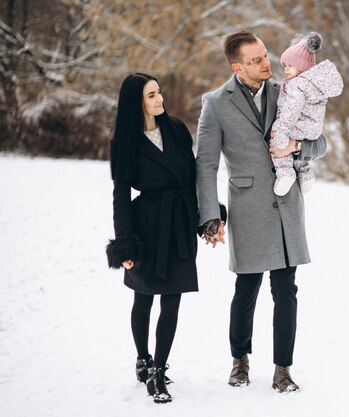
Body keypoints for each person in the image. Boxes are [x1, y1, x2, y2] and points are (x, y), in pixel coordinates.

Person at [196, 30, 327, 393]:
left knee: (286, 289)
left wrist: (296, 146)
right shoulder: (216, 103)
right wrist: (209, 216)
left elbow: (322, 141)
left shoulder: (289, 89)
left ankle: (283, 370)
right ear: (237, 66)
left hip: (287, 205)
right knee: (246, 287)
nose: (266, 63)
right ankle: (240, 360)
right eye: (256, 60)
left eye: (266, 55)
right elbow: (205, 164)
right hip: (248, 207)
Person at [105, 73, 225, 404]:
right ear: (137, 102)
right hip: (145, 226)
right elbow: (120, 194)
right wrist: (125, 242)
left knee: (173, 298)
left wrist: (209, 217)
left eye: (159, 93)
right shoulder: (124, 141)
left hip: (180, 223)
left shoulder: (175, 129)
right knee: (143, 297)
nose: (160, 99)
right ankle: (142, 357)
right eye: (151, 95)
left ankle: (158, 371)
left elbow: (194, 179)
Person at [271, 32, 343, 196]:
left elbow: (292, 109)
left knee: (277, 137)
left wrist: (281, 129)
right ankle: (305, 173)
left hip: (299, 125)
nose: (286, 70)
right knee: (293, 148)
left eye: (290, 65)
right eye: (284, 66)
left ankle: (285, 173)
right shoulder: (315, 86)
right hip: (312, 129)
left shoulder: (296, 85)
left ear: (303, 67)